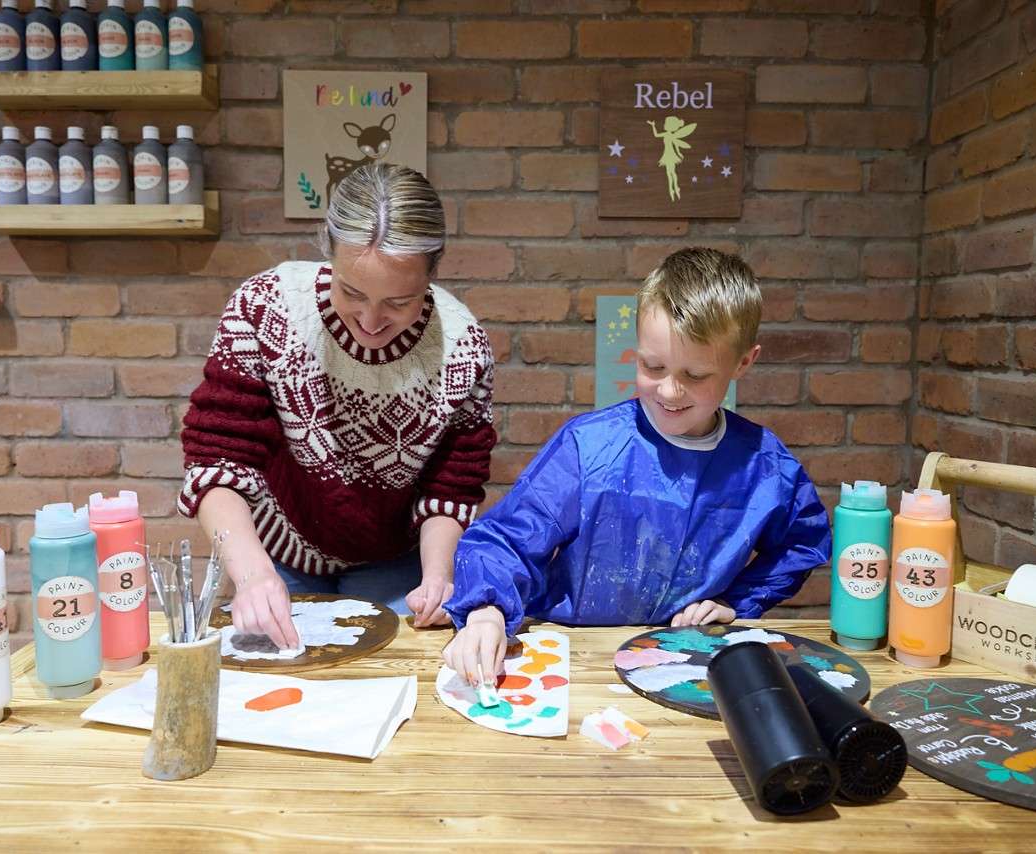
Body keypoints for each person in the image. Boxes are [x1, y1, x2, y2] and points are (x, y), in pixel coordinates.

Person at [442, 247, 831, 682]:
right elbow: (507, 538)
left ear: (743, 362)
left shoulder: (765, 467)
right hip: (575, 658)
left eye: (695, 375)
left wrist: (739, 602)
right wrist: (486, 612)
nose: (669, 391)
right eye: (653, 366)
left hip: (684, 666)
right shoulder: (587, 447)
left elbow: (801, 543)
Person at [179, 163, 496, 649]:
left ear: (433, 271)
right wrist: (251, 575)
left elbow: (451, 485)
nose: (371, 320)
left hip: (395, 561)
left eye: (400, 301)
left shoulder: (462, 347)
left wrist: (437, 576)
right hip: (274, 551)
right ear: (329, 250)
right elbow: (217, 462)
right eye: (351, 292)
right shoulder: (266, 309)